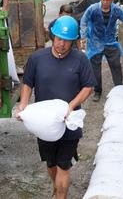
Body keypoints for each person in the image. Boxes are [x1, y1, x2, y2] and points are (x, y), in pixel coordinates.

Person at [15, 16, 96, 199]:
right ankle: (56, 186)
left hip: (69, 122)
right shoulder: (37, 58)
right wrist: (23, 105)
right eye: (59, 39)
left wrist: (71, 106)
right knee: (51, 163)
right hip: (44, 124)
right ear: (53, 36)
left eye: (67, 41)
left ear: (73, 41)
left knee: (63, 164)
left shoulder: (80, 59)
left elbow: (88, 86)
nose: (62, 44)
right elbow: (27, 83)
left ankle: (61, 195)